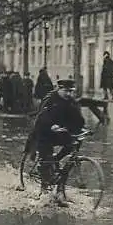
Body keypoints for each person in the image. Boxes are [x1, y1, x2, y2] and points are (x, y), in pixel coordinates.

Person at [28, 79, 86, 207]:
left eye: (71, 91)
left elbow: (78, 118)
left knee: (73, 145)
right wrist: (51, 125)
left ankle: (60, 190)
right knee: (45, 158)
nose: (68, 94)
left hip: (60, 132)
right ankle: (43, 190)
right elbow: (42, 117)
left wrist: (82, 128)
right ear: (59, 89)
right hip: (43, 132)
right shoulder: (50, 99)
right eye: (66, 91)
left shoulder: (71, 101)